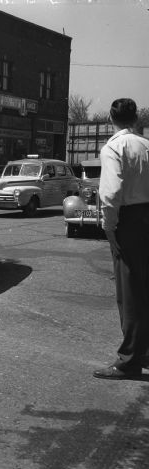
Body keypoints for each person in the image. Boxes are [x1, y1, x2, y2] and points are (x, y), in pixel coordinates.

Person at [93, 98, 149, 380]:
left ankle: (129, 360)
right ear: (135, 118)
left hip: (130, 220)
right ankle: (144, 350)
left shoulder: (114, 147)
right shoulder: (147, 145)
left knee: (129, 292)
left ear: (110, 119)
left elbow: (112, 192)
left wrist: (109, 226)